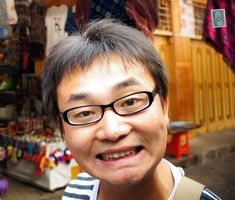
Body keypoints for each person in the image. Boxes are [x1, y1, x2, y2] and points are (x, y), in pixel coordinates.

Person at [41, 19, 221, 200]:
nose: (112, 131)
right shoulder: (75, 192)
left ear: (164, 106)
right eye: (85, 112)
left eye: (130, 102)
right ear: (62, 128)